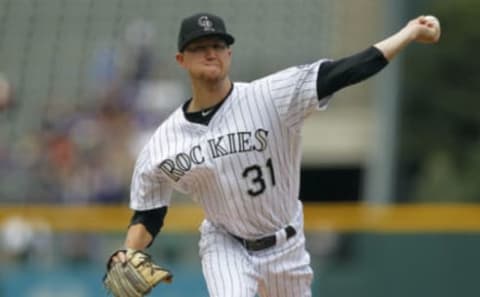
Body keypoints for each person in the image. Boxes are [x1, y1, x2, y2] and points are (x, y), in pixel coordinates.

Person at [109, 12, 440, 297]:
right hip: (226, 243)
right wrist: (129, 251)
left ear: (230, 54)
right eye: (199, 47)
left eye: (218, 45)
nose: (211, 53)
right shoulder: (164, 142)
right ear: (181, 59)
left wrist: (408, 33)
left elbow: (345, 71)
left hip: (288, 248)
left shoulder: (271, 96)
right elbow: (148, 213)